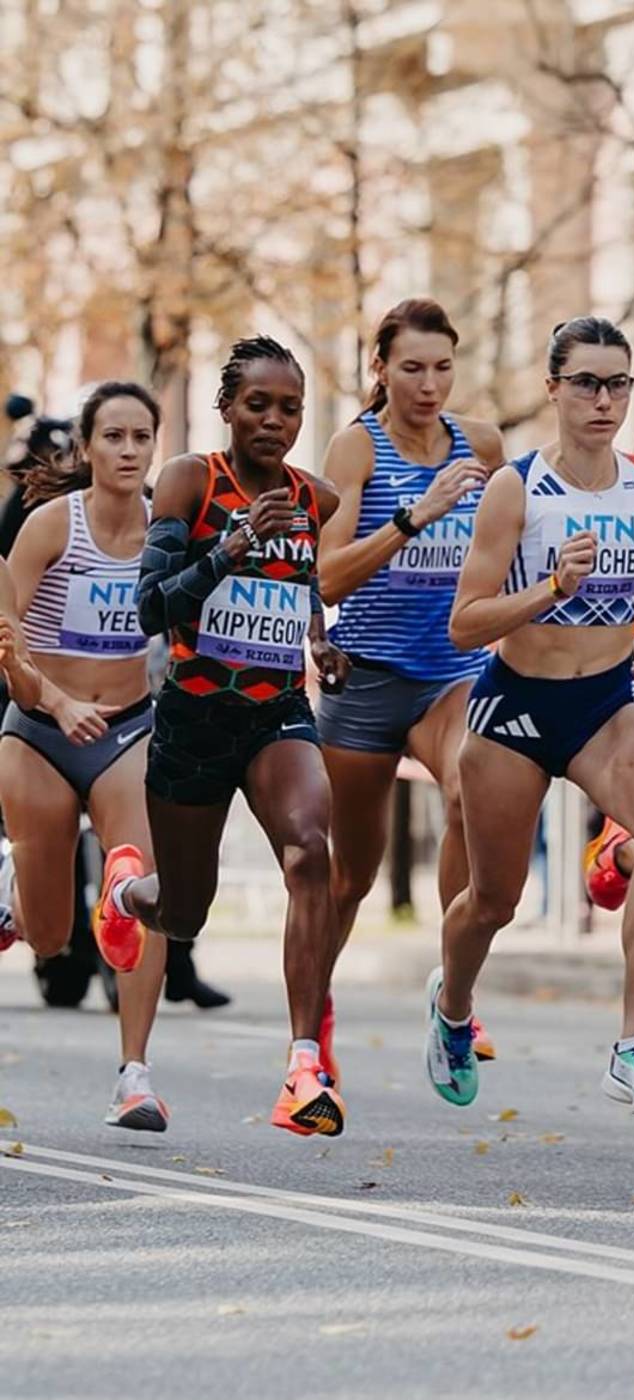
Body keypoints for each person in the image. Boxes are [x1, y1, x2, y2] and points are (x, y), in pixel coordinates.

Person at [431, 315, 634, 1117]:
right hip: (517, 706)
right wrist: (549, 590)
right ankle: (452, 1010)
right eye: (586, 382)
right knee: (493, 902)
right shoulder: (518, 487)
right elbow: (465, 622)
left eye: (618, 383)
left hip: (606, 702)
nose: (603, 399)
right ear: (554, 389)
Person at [93, 335, 352, 1138]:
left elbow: (300, 584)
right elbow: (150, 607)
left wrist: (319, 640)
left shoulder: (316, 498)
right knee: (183, 914)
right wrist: (229, 547)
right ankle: (127, 891)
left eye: (290, 409)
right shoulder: (189, 481)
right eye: (257, 405)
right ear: (227, 408)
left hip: (276, 712)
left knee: (312, 848)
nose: (274, 422)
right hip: (196, 718)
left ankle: (304, 1066)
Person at [317, 299, 504, 1082]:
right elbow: (326, 576)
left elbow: (512, 544)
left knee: (470, 787)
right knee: (352, 875)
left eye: (442, 368)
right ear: (381, 370)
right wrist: (414, 517)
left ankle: (453, 996)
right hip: (364, 681)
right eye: (411, 368)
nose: (429, 385)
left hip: (450, 676)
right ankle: (312, 1018)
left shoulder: (482, 444)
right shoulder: (355, 448)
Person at [0, 382, 173, 1129]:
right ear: (88, 447)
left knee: (149, 885)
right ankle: (15, 878)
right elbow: (6, 635)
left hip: (128, 731)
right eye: (114, 437)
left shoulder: (171, 528)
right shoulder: (50, 527)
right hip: (39, 730)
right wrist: (56, 700)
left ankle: (134, 1075)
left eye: (141, 437)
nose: (129, 451)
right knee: (51, 938)